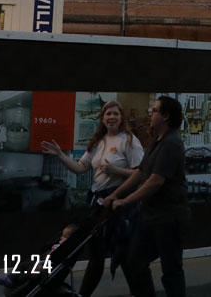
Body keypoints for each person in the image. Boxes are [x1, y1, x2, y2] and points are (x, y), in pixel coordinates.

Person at [41, 100, 145, 295]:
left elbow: (141, 173)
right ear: (103, 118)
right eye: (108, 114)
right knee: (97, 254)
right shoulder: (98, 142)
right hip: (99, 204)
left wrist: (116, 170)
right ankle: (84, 294)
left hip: (120, 204)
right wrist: (60, 155)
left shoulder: (129, 141)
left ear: (121, 117)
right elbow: (80, 168)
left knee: (123, 253)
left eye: (115, 113)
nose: (112, 117)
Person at [104, 95, 188, 297]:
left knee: (171, 270)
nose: (150, 114)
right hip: (150, 217)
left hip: (169, 218)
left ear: (165, 116)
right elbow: (141, 172)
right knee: (135, 261)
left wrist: (125, 201)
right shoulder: (157, 142)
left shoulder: (172, 143)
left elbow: (155, 181)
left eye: (155, 110)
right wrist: (114, 194)